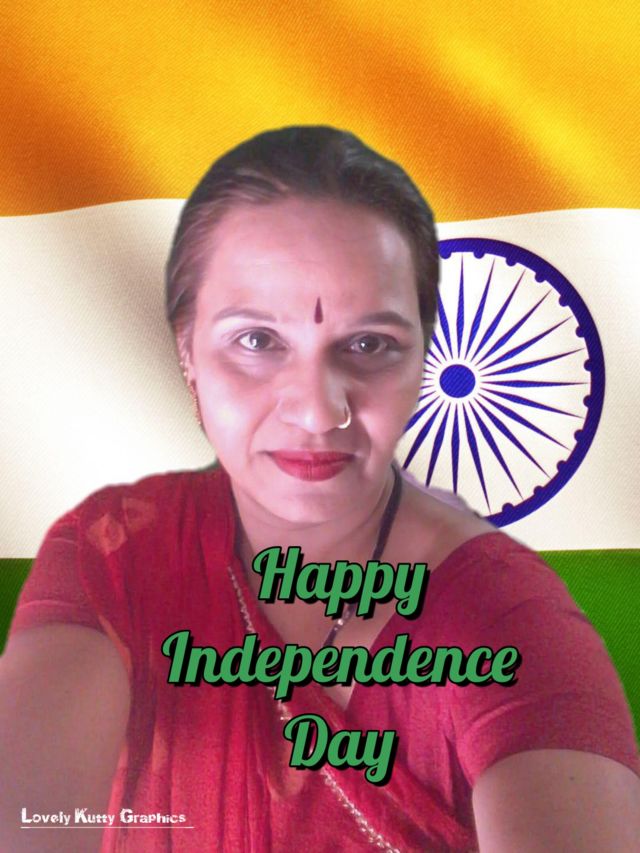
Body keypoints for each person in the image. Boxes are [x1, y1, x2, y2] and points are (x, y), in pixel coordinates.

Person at [1, 126, 638, 852]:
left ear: (422, 359)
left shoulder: (505, 614)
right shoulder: (119, 551)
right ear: (187, 352)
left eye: (368, 345)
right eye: (257, 341)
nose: (315, 409)